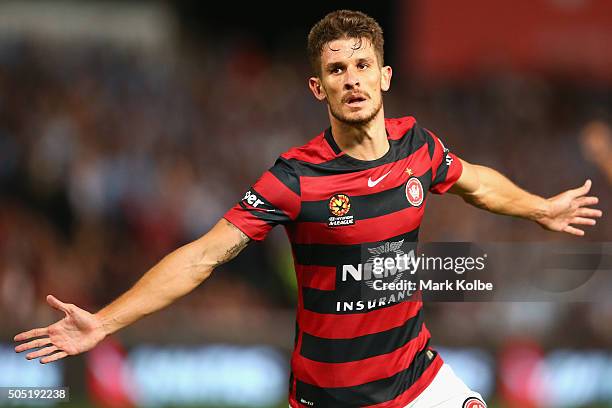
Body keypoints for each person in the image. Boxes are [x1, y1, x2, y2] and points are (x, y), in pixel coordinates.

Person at [15, 10, 603, 408]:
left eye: (362, 65)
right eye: (336, 70)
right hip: (331, 396)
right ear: (317, 88)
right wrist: (105, 322)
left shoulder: (416, 144)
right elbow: (200, 258)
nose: (352, 80)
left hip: (418, 379)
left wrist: (540, 209)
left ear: (385, 76)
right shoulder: (294, 178)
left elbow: (474, 180)